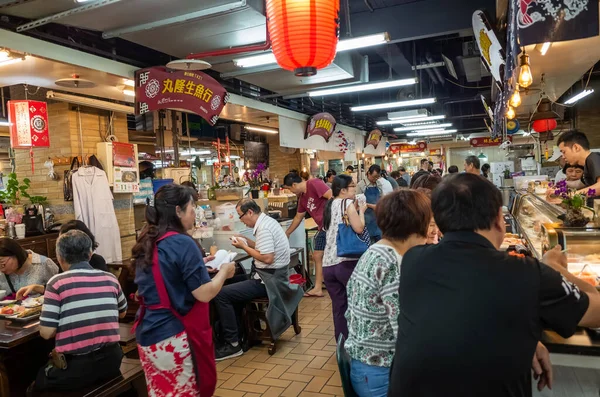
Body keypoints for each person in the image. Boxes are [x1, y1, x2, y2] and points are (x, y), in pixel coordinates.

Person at [388, 173, 600, 397]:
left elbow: (459, 314)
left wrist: (522, 338)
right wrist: (557, 269)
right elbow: (596, 312)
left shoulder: (413, 261)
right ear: (500, 218)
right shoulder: (527, 272)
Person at [133, 185, 235, 397]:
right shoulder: (182, 242)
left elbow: (166, 273)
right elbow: (204, 293)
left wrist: (199, 263)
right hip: (174, 336)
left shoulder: (148, 238)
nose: (194, 214)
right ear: (178, 211)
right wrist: (224, 271)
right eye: (192, 208)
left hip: (149, 335)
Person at [345, 190, 431, 397]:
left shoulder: (375, 251)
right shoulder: (393, 262)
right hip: (379, 370)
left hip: (365, 364)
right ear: (418, 225)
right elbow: (404, 328)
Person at [32, 230, 127, 392]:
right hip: (112, 361)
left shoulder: (56, 283)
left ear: (59, 257)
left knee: (34, 386)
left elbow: (47, 333)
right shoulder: (110, 278)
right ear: (90, 254)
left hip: (76, 369)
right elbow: (122, 313)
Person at [222, 199, 302, 360]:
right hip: (273, 275)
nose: (241, 220)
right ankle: (247, 332)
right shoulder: (268, 222)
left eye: (241, 216)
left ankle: (233, 343)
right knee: (233, 282)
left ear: (250, 212)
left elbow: (267, 258)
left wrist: (244, 247)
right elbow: (262, 248)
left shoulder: (264, 228)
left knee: (222, 294)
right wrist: (246, 242)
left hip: (269, 281)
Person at [322, 175, 366, 340]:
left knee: (339, 308)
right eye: (352, 186)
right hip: (345, 262)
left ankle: (342, 345)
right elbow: (359, 228)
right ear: (343, 190)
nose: (355, 189)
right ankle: (356, 341)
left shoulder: (329, 204)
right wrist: (361, 211)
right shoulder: (347, 203)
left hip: (328, 265)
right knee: (355, 304)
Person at [283, 172, 332, 297]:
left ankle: (319, 286)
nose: (290, 192)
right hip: (323, 227)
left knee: (319, 255)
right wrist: (287, 232)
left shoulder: (313, 183)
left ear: (294, 185)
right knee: (318, 255)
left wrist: (332, 218)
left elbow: (332, 196)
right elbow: (298, 217)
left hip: (332, 224)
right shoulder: (302, 198)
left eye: (289, 189)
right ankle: (319, 287)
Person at [558, 130, 600, 197]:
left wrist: (573, 195)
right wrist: (561, 185)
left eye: (564, 152)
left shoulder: (593, 159)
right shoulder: (586, 164)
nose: (563, 156)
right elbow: (579, 184)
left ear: (576, 148)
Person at [357, 165, 392, 243]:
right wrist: (371, 206)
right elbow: (357, 203)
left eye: (377, 177)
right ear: (368, 173)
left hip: (377, 218)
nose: (375, 179)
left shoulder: (378, 184)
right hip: (366, 219)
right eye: (374, 177)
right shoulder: (361, 185)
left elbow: (381, 198)